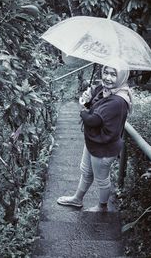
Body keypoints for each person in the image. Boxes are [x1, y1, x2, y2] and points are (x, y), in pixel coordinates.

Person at [57, 59, 132, 212]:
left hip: (105, 147)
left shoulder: (118, 100)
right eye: (106, 72)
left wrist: (82, 108)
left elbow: (93, 120)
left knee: (102, 179)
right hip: (93, 141)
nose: (108, 78)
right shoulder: (104, 90)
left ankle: (102, 207)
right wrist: (88, 98)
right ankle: (77, 199)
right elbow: (94, 106)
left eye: (113, 74)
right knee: (86, 170)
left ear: (122, 77)